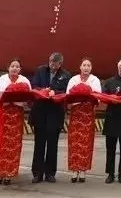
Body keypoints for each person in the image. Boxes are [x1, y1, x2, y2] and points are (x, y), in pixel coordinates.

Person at [0, 58, 32, 185]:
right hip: (3, 114)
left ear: (20, 69)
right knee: (0, 144)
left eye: (17, 66)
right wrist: (3, 96)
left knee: (14, 144)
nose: (15, 68)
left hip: (16, 116)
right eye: (12, 66)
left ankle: (9, 174)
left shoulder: (24, 80)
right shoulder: (0, 80)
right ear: (8, 68)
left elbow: (29, 97)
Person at [30, 52, 70, 183]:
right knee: (39, 144)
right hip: (40, 111)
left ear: (60, 64)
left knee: (52, 144)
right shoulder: (40, 71)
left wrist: (55, 92)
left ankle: (50, 173)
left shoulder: (66, 75)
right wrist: (44, 91)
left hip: (55, 113)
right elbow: (34, 86)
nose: (52, 65)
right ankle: (37, 173)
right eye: (51, 62)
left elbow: (67, 91)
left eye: (55, 63)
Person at [66, 57, 102, 183]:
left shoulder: (95, 80)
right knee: (74, 142)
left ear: (91, 68)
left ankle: (83, 170)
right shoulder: (73, 79)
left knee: (86, 142)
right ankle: (74, 170)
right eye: (84, 65)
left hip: (87, 114)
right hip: (76, 114)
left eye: (88, 65)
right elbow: (68, 95)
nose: (86, 67)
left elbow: (98, 96)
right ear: (80, 67)